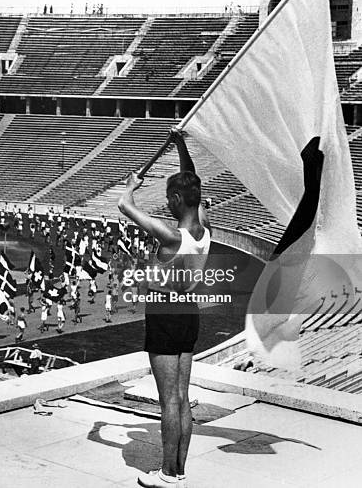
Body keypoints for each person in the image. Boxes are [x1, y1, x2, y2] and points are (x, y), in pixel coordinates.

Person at [118, 130, 210, 488]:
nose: (168, 205)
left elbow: (125, 207)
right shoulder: (204, 229)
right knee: (183, 397)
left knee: (168, 400)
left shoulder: (171, 236)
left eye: (170, 199)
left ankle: (168, 474)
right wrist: (181, 147)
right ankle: (179, 470)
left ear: (175, 199)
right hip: (190, 313)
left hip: (165, 312)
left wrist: (131, 185)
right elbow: (194, 184)